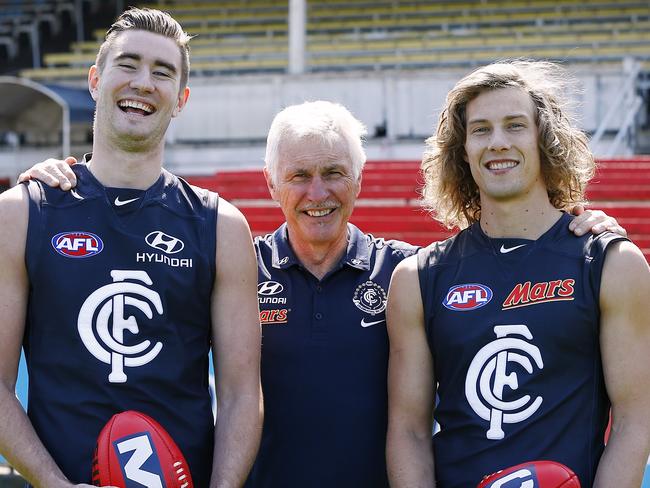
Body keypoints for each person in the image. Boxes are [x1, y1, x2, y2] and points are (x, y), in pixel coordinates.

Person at [22, 98, 628, 488]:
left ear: (359, 179)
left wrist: (579, 228)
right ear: (271, 183)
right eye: (299, 175)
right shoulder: (234, 270)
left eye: (335, 172)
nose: (319, 191)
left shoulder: (406, 274)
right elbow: (130, 277)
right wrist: (63, 185)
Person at [0, 8, 262, 488]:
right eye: (129, 64)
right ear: (96, 80)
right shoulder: (20, 215)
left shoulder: (221, 226)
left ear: (180, 99)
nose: (144, 82)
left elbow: (242, 394)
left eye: (162, 73)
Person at [385, 60, 650, 488]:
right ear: (462, 149)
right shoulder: (418, 277)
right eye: (481, 130)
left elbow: (634, 423)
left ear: (544, 139)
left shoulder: (610, 263)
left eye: (515, 125)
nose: (498, 143)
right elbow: (409, 431)